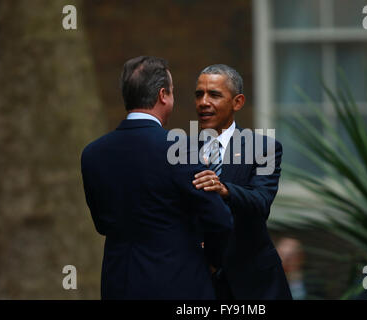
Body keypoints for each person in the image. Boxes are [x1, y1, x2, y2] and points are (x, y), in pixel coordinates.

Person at [80, 56, 233, 299]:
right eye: (172, 92)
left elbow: (102, 224)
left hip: (118, 283)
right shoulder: (178, 147)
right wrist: (212, 262)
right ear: (163, 95)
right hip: (177, 285)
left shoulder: (92, 153)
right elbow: (219, 219)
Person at [192, 64, 292, 299]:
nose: (203, 102)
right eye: (199, 94)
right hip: (200, 281)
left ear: (237, 102)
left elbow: (261, 201)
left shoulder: (264, 148)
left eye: (214, 95)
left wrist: (224, 189)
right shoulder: (182, 151)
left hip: (253, 283)